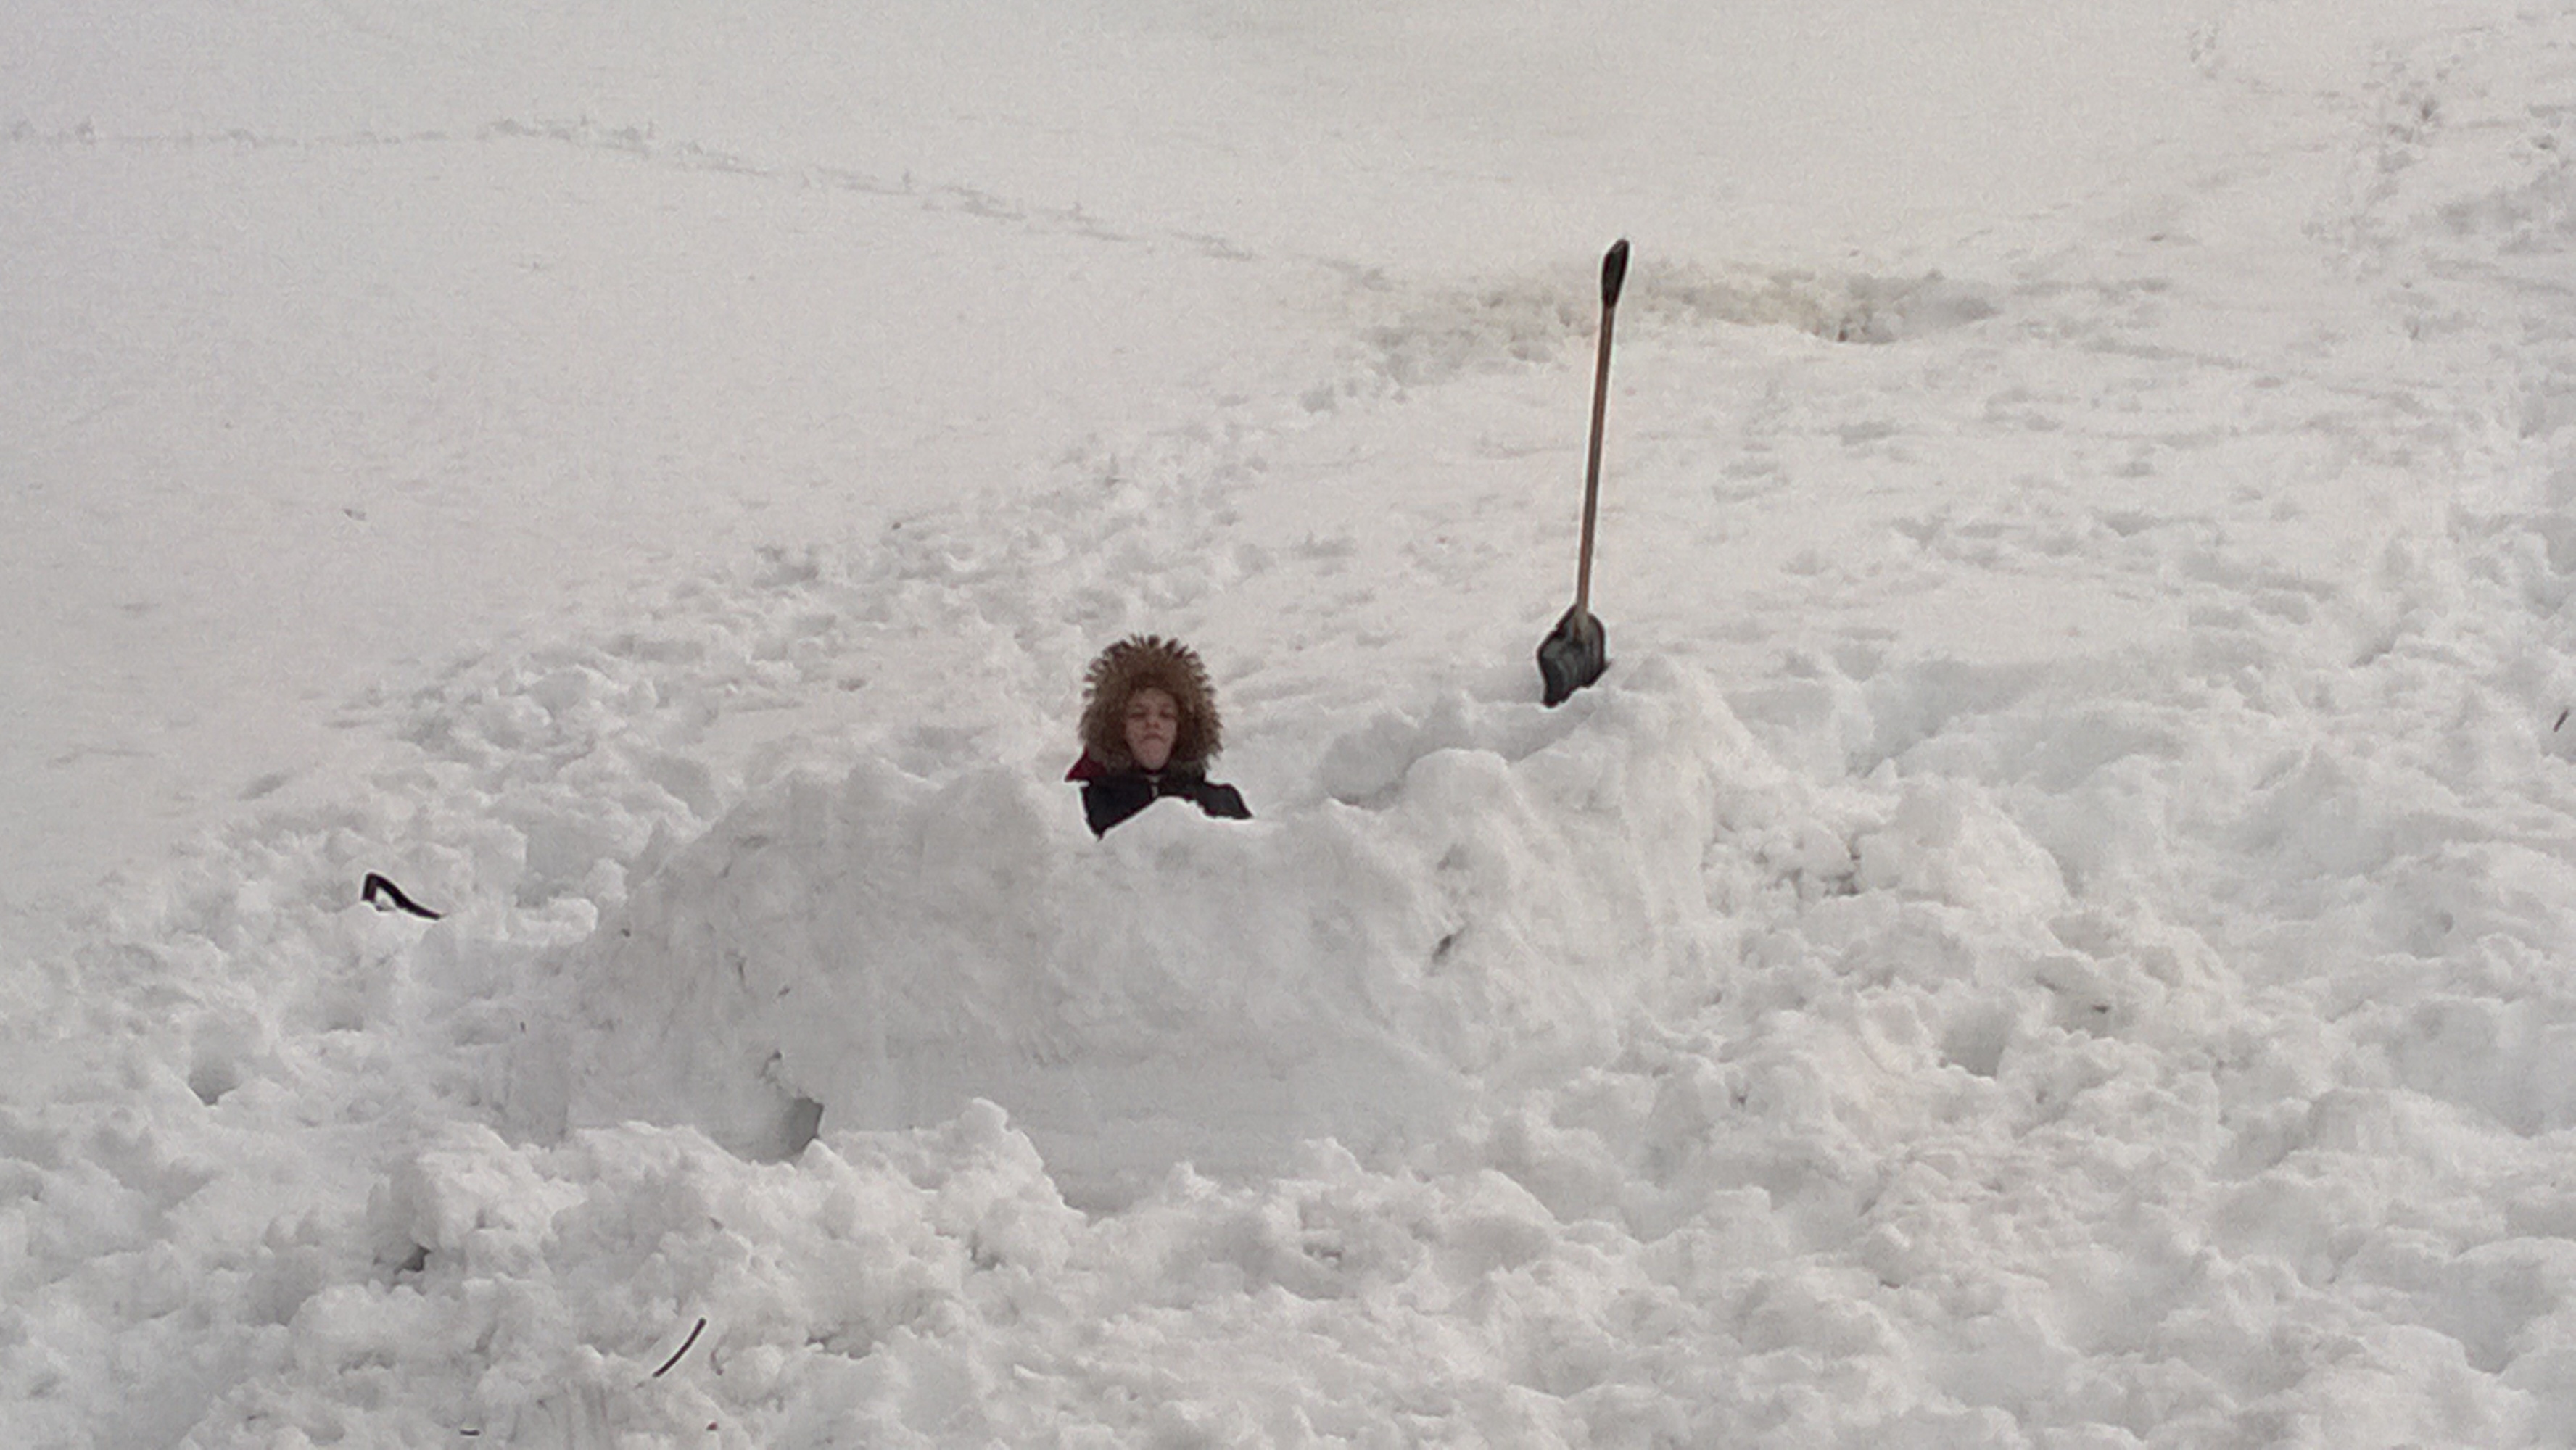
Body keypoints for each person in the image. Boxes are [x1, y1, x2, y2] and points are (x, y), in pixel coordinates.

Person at [1065, 634, 1252, 837]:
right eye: (1138, 715)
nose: (1153, 723)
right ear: (1116, 728)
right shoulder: (1083, 807)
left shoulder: (1221, 803)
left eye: (1166, 715)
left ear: (1184, 728)